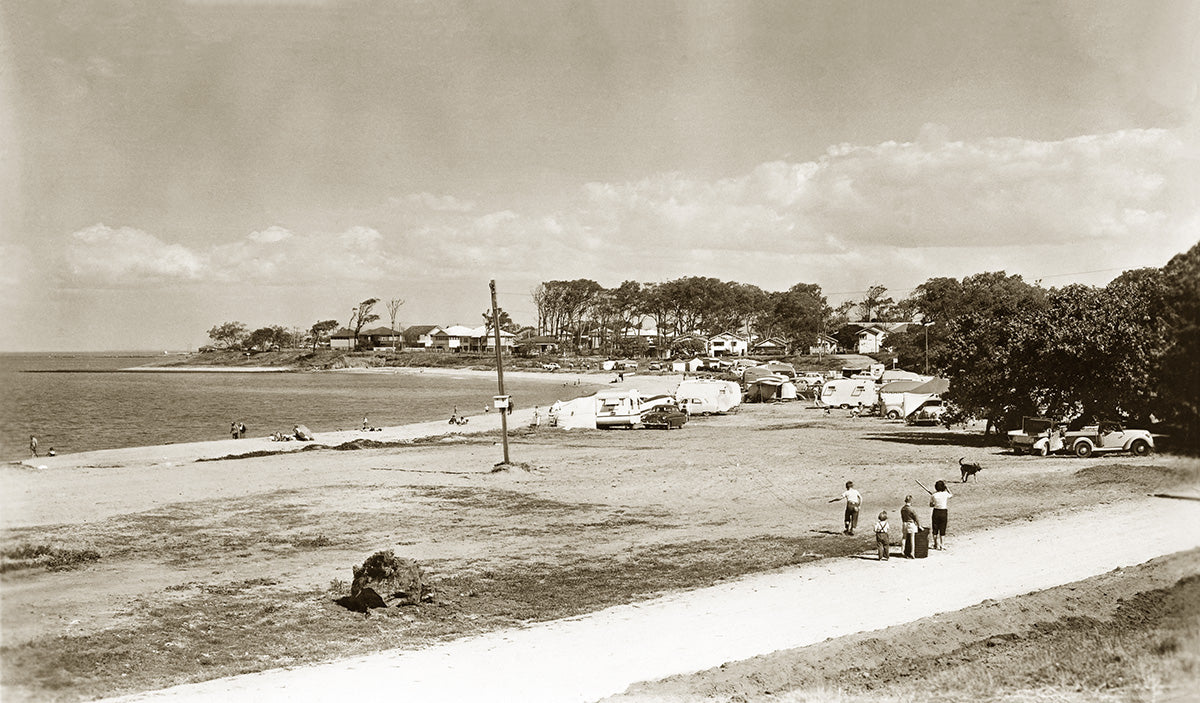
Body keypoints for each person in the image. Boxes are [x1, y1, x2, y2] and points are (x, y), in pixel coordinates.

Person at [929, 480, 953, 550]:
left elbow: (931, 505)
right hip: (943, 512)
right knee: (943, 528)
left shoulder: (934, 495)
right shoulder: (945, 494)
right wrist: (947, 488)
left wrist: (934, 502)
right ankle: (942, 545)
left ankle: (936, 544)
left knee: (935, 528)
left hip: (936, 512)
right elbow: (951, 494)